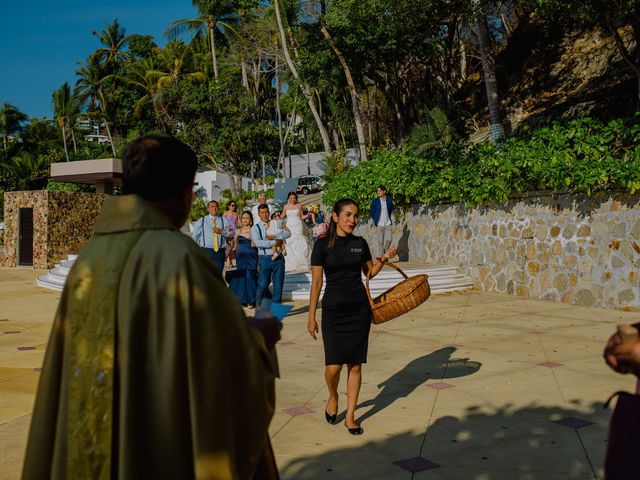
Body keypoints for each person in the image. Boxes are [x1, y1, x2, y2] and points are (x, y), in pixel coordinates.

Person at [22, 135, 281, 479]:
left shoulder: (90, 258)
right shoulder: (181, 259)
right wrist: (260, 341)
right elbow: (223, 379)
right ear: (184, 192)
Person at [307, 198, 397, 435]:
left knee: (355, 365)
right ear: (335, 216)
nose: (352, 220)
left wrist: (384, 259)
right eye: (347, 215)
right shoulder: (321, 245)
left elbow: (369, 273)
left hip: (358, 310)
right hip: (334, 312)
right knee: (333, 368)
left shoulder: (360, 243)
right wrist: (310, 316)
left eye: (355, 216)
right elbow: (316, 283)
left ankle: (350, 416)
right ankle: (333, 396)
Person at [253, 204, 291, 306]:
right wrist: (275, 242)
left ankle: (276, 310)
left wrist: (274, 236)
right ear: (258, 214)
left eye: (266, 212)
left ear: (269, 213)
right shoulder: (255, 227)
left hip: (278, 258)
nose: (265, 215)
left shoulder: (275, 223)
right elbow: (258, 243)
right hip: (264, 258)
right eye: (262, 213)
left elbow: (288, 233)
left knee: (278, 285)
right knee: (263, 283)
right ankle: (258, 303)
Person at [227, 211, 259, 308]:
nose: (245, 220)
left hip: (252, 256)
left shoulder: (255, 230)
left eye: (247, 218)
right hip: (241, 256)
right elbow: (234, 246)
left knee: (250, 276)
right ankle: (242, 299)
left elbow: (258, 243)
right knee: (242, 276)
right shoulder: (237, 231)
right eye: (243, 218)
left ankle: (251, 300)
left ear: (251, 220)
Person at [192, 200, 233, 272]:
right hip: (206, 251)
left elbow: (232, 233)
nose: (214, 208)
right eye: (212, 207)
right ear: (208, 209)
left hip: (220, 252)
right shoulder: (202, 221)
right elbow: (195, 236)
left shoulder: (224, 220)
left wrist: (222, 232)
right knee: (206, 274)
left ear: (218, 208)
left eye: (216, 206)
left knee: (218, 275)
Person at [281, 191, 311, 272]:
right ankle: (291, 262)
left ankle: (301, 260)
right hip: (289, 226)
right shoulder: (286, 207)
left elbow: (301, 217)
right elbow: (282, 216)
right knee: (289, 241)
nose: (292, 199)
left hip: (298, 225)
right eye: (291, 198)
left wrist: (308, 215)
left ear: (296, 198)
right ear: (288, 199)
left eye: (294, 198)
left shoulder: (299, 206)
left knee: (299, 241)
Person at [369, 185, 393, 257]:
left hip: (387, 223)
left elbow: (390, 209)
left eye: (380, 191)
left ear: (384, 191)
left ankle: (385, 252)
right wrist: (375, 218)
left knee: (389, 239)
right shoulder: (375, 201)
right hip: (379, 224)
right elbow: (372, 211)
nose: (378, 192)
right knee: (380, 242)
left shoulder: (389, 200)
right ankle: (383, 258)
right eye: (377, 191)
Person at [223, 200, 240, 268]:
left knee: (234, 246)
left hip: (235, 231)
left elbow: (240, 223)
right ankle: (228, 261)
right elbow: (222, 222)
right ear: (228, 206)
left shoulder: (236, 213)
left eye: (234, 205)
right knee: (228, 246)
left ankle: (232, 262)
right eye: (232, 205)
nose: (234, 207)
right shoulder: (226, 213)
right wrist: (225, 228)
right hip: (228, 231)